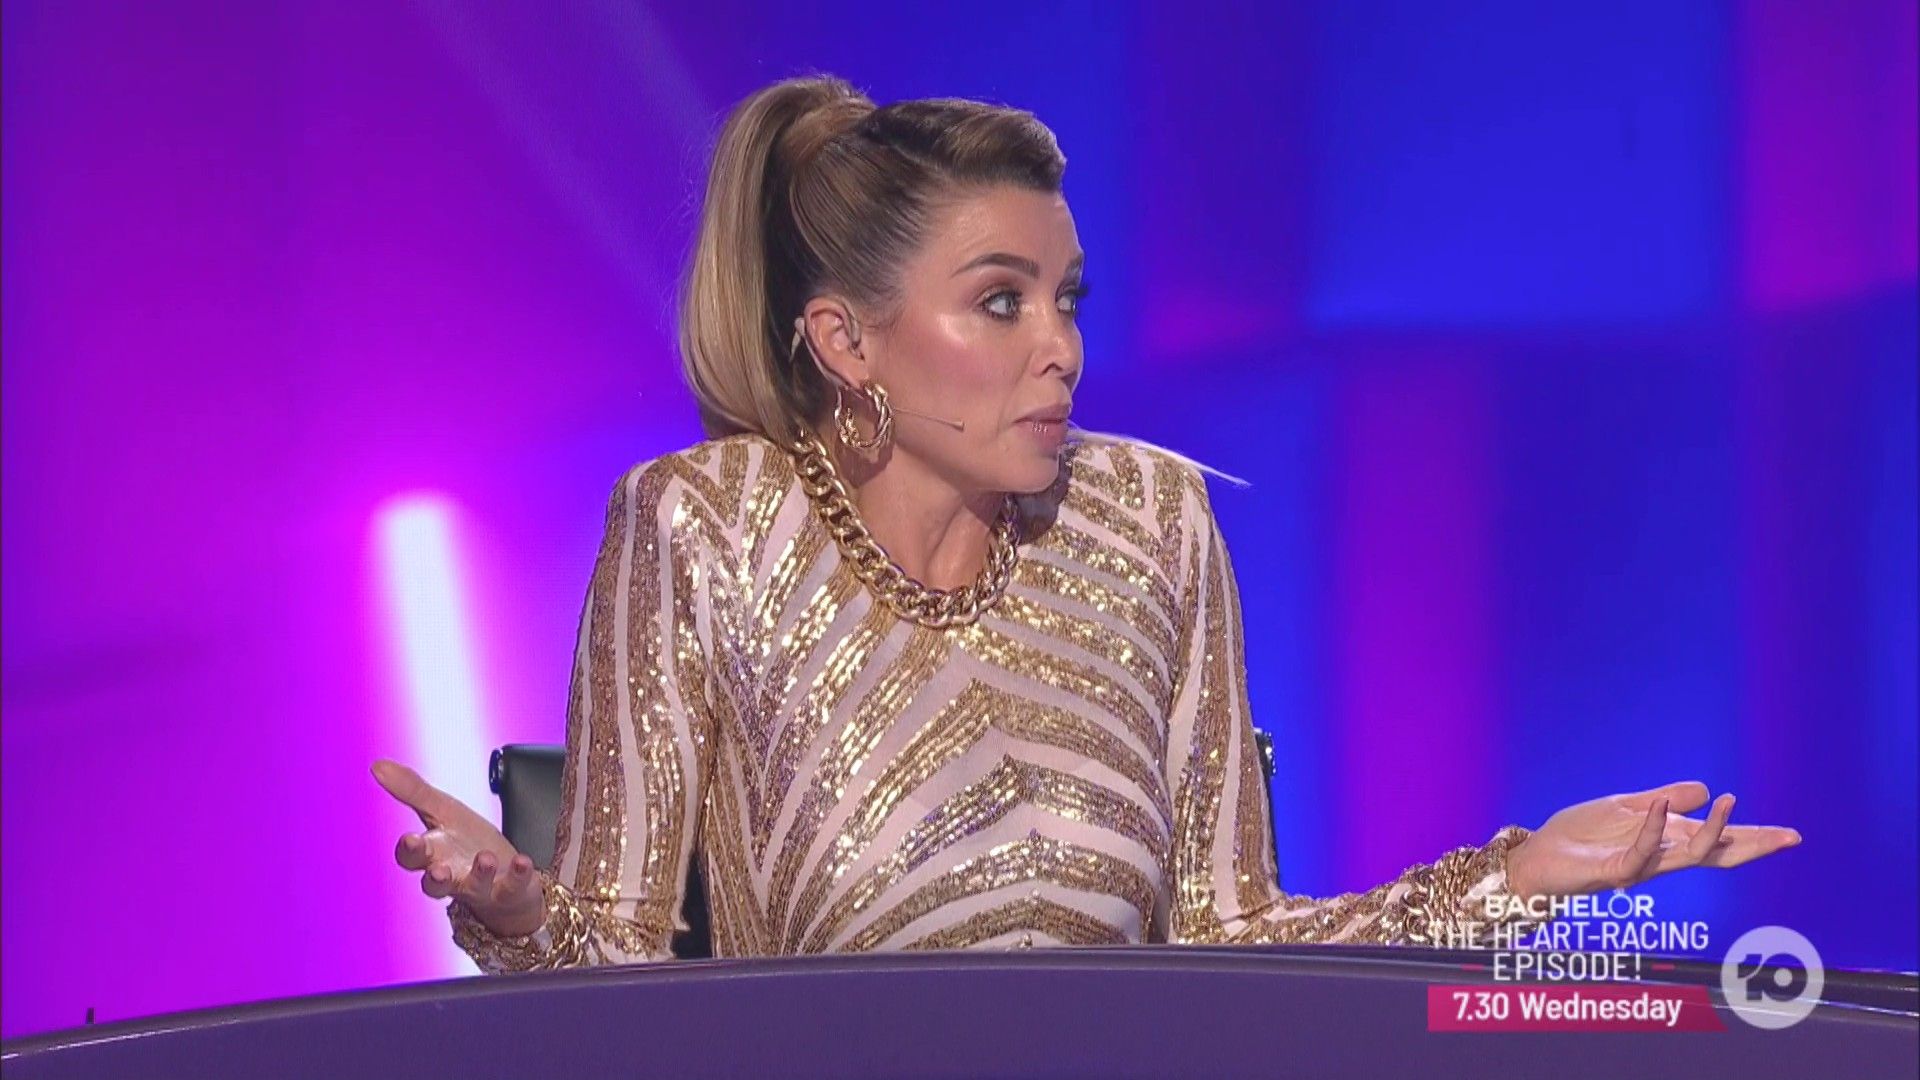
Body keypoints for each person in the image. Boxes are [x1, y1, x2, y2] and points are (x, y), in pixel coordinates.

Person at [372, 74, 1801, 971]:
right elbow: (617, 978)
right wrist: (515, 910)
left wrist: (1521, 877)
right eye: (1000, 302)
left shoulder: (1148, 517)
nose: (1059, 348)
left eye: (1068, 300)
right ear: (847, 341)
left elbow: (1236, 942)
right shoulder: (705, 524)